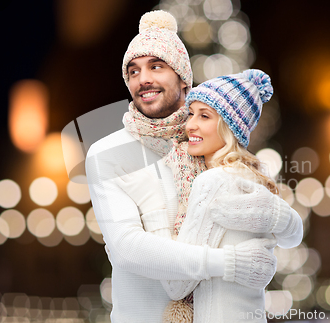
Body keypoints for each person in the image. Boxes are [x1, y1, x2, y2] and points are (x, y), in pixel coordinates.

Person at [85, 11, 285, 322]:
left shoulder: (209, 141)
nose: (143, 79)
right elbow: (128, 247)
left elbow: (256, 223)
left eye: (157, 66)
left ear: (182, 77)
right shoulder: (107, 154)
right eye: (133, 71)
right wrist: (228, 263)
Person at [118, 69, 304, 322]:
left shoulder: (212, 181)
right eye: (191, 113)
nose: (191, 124)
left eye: (205, 116)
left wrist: (152, 213)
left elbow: (176, 284)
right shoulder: (253, 179)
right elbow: (293, 235)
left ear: (230, 128)